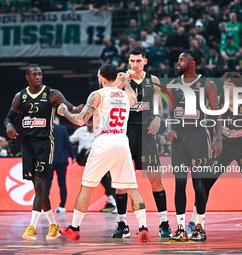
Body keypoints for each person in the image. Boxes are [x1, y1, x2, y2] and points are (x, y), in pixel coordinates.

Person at [58, 64, 150, 242]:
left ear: (102, 78)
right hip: (122, 142)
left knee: (87, 187)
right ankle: (143, 228)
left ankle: (75, 228)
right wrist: (125, 81)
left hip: (104, 142)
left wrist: (65, 113)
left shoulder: (97, 94)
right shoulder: (124, 94)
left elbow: (80, 120)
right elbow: (133, 100)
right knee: (132, 188)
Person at [4, 64, 82, 241]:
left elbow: (71, 107)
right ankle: (53, 225)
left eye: (40, 74)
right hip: (27, 145)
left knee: (40, 185)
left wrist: (79, 110)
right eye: (35, 74)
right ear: (28, 77)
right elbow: (9, 117)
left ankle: (31, 227)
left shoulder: (52, 94)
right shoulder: (20, 96)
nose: (38, 77)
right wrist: (8, 124)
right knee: (37, 188)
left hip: (45, 144)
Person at [190, 72, 242, 236]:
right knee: (205, 184)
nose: (225, 87)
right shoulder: (218, 101)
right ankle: (194, 221)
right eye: (224, 84)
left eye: (230, 85)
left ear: (239, 88)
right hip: (223, 148)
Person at [112, 46, 172, 239]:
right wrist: (123, 82)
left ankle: (164, 222)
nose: (135, 64)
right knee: (121, 183)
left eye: (138, 61)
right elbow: (109, 96)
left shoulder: (152, 80)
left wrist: (158, 118)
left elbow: (159, 107)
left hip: (147, 135)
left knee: (155, 180)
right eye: (131, 61)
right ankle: (122, 224)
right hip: (125, 134)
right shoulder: (121, 78)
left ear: (145, 61)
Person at [166, 50, 222, 242]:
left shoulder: (207, 84)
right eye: (178, 58)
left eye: (182, 59)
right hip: (179, 139)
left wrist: (219, 138)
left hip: (200, 137)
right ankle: (180, 227)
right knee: (179, 183)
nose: (178, 62)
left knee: (198, 184)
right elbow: (171, 112)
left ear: (192, 63)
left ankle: (200, 227)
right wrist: (171, 129)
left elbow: (216, 113)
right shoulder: (173, 84)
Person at [69, 117, 117, 213]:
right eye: (87, 123)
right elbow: (69, 141)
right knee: (102, 176)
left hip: (99, 158)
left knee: (105, 177)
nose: (88, 125)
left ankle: (111, 200)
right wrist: (72, 154)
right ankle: (112, 199)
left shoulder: (100, 131)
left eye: (90, 123)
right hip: (84, 158)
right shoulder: (81, 131)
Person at [45, 115, 75, 214]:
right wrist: (73, 156)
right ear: (56, 120)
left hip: (49, 160)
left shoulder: (46, 129)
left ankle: (44, 207)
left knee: (47, 183)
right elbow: (68, 143)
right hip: (62, 160)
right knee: (62, 183)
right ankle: (62, 207)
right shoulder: (62, 129)